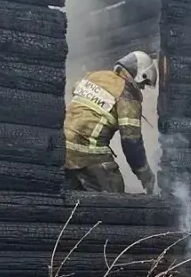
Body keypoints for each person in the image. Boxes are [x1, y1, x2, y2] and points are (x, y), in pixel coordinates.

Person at [63, 50, 157, 193]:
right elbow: (131, 142)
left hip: (63, 148)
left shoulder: (95, 76)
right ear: (140, 75)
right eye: (144, 83)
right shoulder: (127, 95)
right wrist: (145, 175)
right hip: (89, 154)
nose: (142, 88)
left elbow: (76, 93)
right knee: (114, 194)